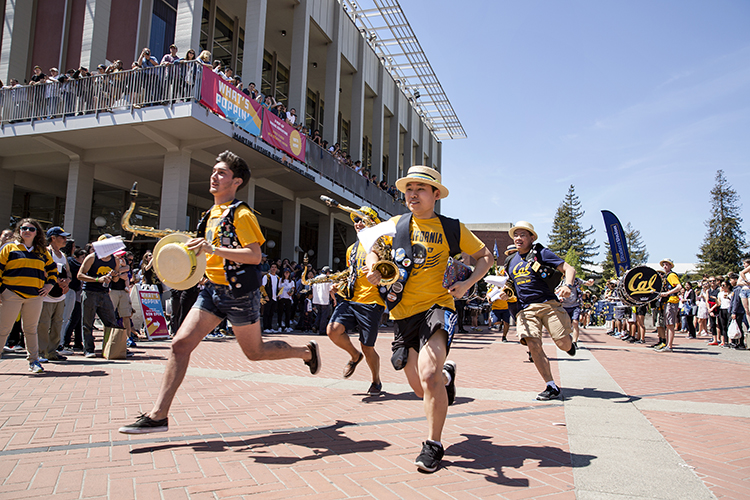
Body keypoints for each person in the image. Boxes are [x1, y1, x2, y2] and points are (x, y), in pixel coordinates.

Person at [118, 150, 320, 434]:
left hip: (239, 293)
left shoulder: (242, 214)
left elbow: (254, 255)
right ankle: (158, 415)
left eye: (222, 173)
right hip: (211, 290)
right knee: (180, 345)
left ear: (236, 181)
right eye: (214, 171)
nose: (214, 176)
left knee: (255, 352)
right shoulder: (210, 215)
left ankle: (305, 352)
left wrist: (213, 249)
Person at [365, 166, 492, 473]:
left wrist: (468, 283)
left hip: (439, 307)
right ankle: (447, 377)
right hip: (402, 312)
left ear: (436, 194)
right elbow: (372, 248)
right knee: (422, 389)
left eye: (420, 189)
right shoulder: (395, 225)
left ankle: (433, 445)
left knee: (428, 374)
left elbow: (486, 256)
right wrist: (372, 268)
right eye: (409, 189)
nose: (412, 194)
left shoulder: (452, 228)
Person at [499, 221, 577, 401]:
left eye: (522, 235)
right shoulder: (510, 260)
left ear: (531, 237)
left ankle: (570, 344)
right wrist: (505, 292)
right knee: (533, 345)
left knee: (563, 344)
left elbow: (568, 268)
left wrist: (568, 285)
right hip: (525, 309)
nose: (518, 238)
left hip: (548, 305)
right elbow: (511, 282)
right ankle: (551, 386)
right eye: (516, 235)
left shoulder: (541, 252)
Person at [326, 207, 386, 396]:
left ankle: (376, 381)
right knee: (332, 330)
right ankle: (354, 356)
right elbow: (350, 274)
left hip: (372, 302)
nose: (358, 223)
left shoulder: (383, 246)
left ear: (372, 223)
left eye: (362, 220)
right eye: (356, 220)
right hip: (351, 299)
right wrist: (338, 285)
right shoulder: (351, 249)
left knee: (368, 348)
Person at [0, 219, 59, 374]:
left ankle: (34, 361)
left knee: (31, 329)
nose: (27, 231)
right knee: (3, 329)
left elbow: (53, 270)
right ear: (19, 230)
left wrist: (49, 285)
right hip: (11, 294)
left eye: (31, 229)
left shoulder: (42, 251)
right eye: (23, 228)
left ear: (36, 232)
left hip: (35, 296)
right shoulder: (9, 248)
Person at [78, 236, 120, 357]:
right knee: (87, 322)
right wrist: (97, 279)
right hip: (90, 292)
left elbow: (116, 279)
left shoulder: (115, 259)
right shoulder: (92, 258)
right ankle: (88, 349)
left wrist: (114, 275)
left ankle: (112, 347)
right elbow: (80, 275)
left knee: (111, 321)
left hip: (104, 293)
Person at [37, 226, 72, 361]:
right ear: (53, 238)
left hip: (60, 295)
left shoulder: (62, 255)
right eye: (62, 237)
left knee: (58, 323)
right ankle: (41, 352)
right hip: (47, 294)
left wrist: (67, 281)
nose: (65, 240)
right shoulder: (45, 252)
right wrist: (57, 281)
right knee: (43, 324)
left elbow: (68, 271)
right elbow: (43, 270)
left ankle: (52, 351)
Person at [655, 259, 682, 352]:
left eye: (667, 264)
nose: (665, 266)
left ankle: (669, 345)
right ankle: (667, 344)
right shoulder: (666, 276)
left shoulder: (671, 275)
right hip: (667, 302)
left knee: (670, 324)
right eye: (664, 265)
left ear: (671, 266)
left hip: (671, 301)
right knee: (667, 324)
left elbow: (679, 287)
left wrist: (668, 293)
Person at [262, 263, 280, 332]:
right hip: (268, 297)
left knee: (271, 313)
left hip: (274, 297)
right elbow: (262, 287)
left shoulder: (278, 278)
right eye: (272, 267)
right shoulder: (266, 277)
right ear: (270, 268)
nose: (274, 269)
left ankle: (270, 327)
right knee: (266, 312)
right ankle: (265, 327)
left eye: (275, 267)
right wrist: (265, 295)